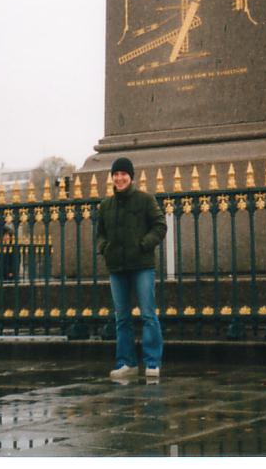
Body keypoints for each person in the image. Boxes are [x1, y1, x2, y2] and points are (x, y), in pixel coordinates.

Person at [95, 156, 166, 379]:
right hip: (117, 266)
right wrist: (104, 247)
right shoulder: (106, 205)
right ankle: (126, 362)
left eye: (123, 174)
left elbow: (160, 225)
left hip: (142, 265)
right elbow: (100, 234)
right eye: (116, 174)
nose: (119, 178)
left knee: (147, 315)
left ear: (130, 176)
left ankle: (152, 362)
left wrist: (144, 245)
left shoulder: (145, 200)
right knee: (122, 318)